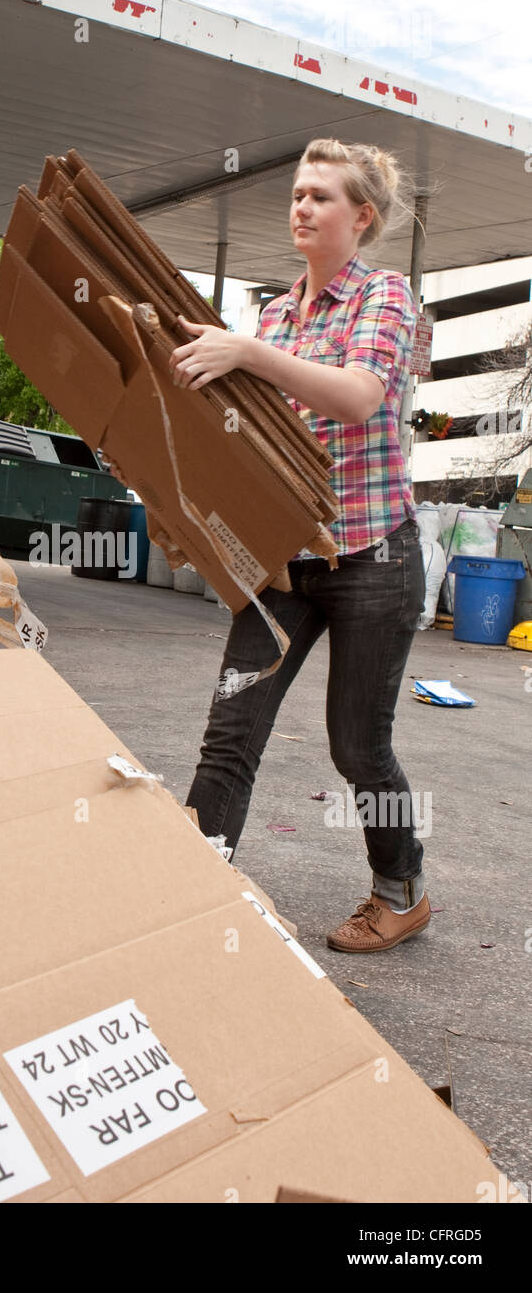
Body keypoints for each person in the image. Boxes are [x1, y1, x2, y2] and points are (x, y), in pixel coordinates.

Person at [169, 137, 429, 953]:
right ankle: (188, 895)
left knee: (358, 746)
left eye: (320, 196)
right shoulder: (277, 314)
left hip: (372, 557)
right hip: (284, 562)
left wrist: (246, 353)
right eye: (295, 195)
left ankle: (401, 890)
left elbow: (354, 398)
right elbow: (244, 439)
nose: (301, 207)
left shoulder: (385, 296)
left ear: (362, 217)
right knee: (231, 730)